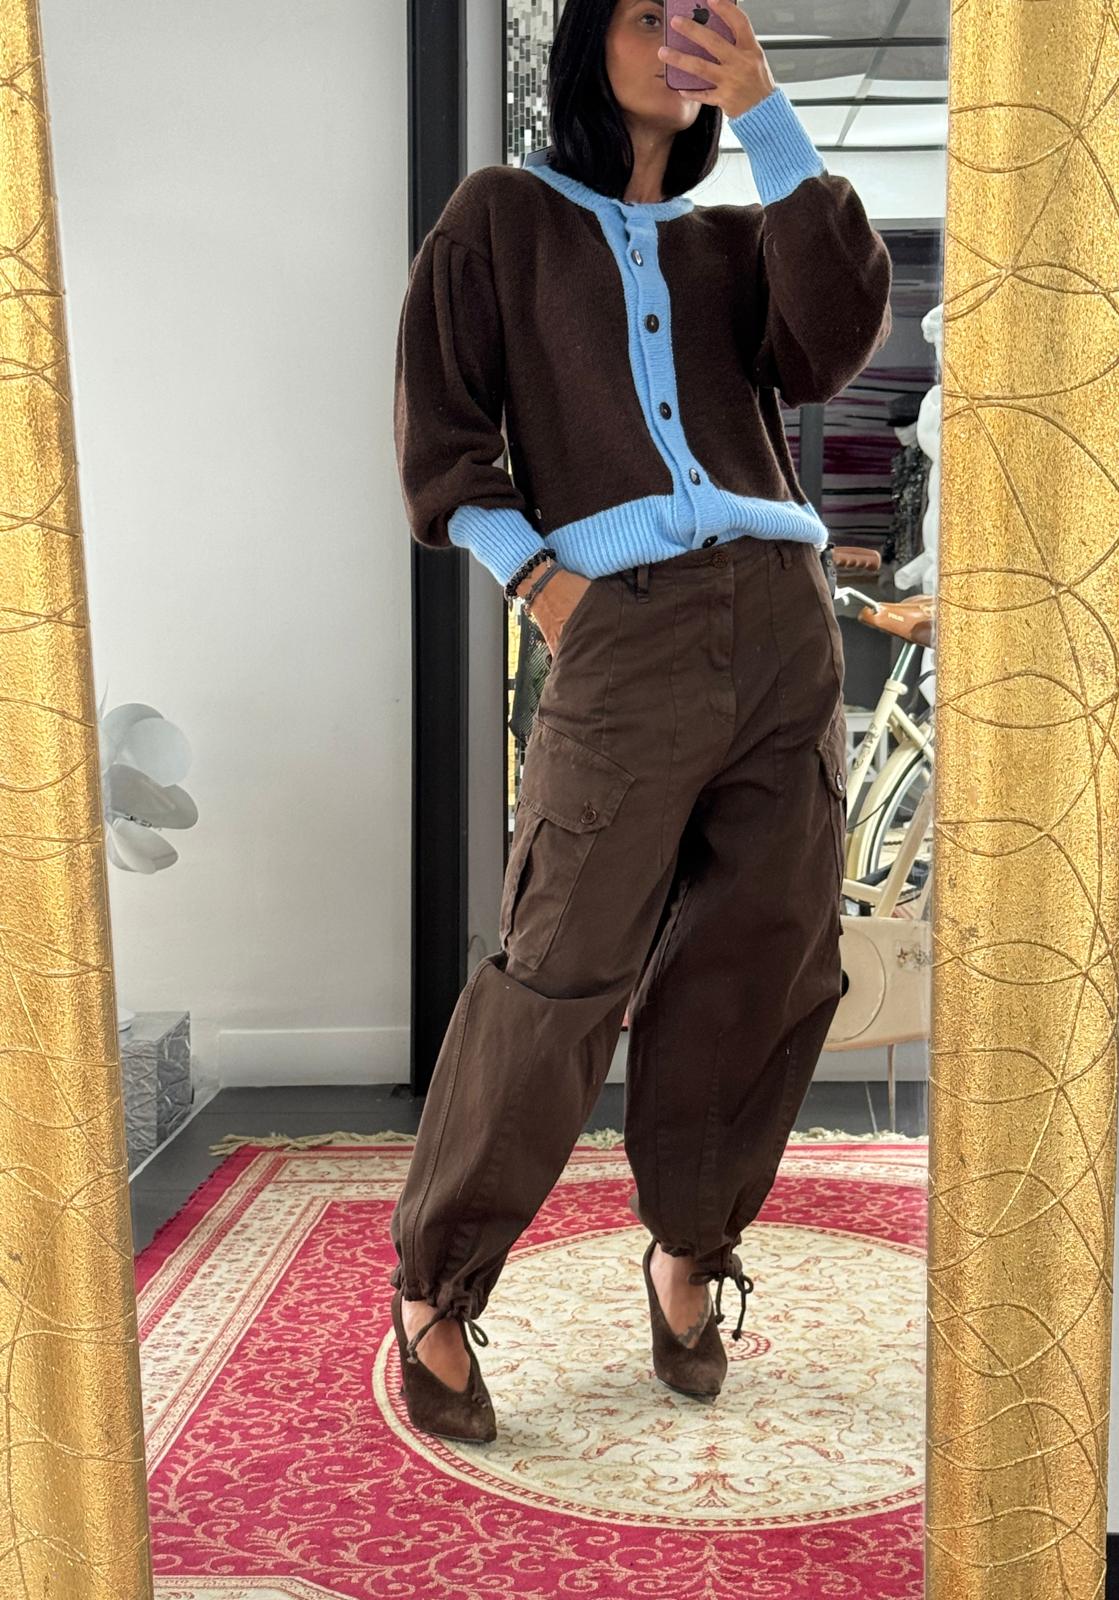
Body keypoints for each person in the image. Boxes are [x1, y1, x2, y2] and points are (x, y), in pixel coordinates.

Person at [389, 0, 893, 1443]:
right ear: (585, 40)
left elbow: (831, 343)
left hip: (784, 622)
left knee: (760, 958)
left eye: (701, 13)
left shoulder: (738, 236)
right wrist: (541, 583)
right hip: (624, 628)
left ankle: (688, 1248)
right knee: (562, 962)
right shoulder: (501, 217)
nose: (678, 36)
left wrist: (771, 113)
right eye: (646, 13)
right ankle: (437, 1285)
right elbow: (442, 435)